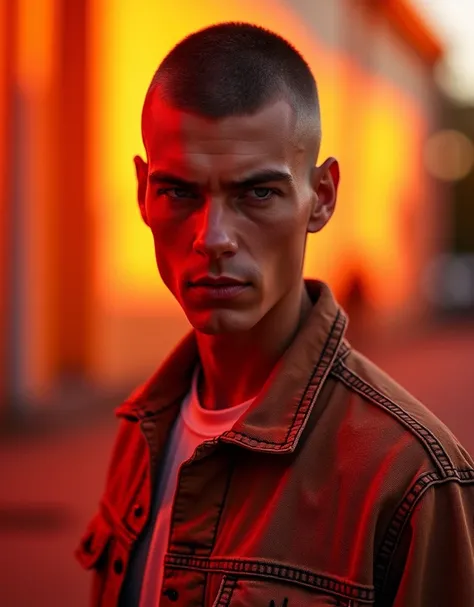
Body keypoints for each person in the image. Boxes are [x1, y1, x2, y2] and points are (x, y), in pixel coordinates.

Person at [75, 22, 474, 607]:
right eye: (180, 193)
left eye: (257, 193)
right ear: (142, 192)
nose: (213, 238)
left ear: (323, 197)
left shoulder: (410, 476)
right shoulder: (140, 429)